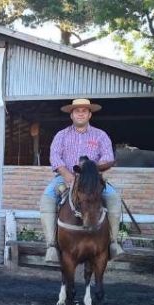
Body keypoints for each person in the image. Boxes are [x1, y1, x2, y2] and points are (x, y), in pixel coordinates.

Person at [39, 98, 124, 263]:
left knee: (113, 198)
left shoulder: (100, 135)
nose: (80, 114)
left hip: (93, 179)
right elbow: (54, 156)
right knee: (47, 199)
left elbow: (108, 157)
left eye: (84, 111)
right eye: (77, 111)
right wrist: (65, 173)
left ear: (90, 114)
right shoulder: (61, 135)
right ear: (71, 115)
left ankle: (113, 242)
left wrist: (91, 171)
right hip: (66, 177)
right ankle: (51, 246)